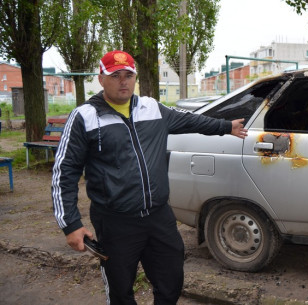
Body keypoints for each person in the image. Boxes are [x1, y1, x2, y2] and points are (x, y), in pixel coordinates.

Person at [51, 50, 247, 305]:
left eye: (128, 75)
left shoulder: (151, 108)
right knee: (120, 291)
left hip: (159, 217)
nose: (123, 81)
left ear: (135, 77)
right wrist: (71, 224)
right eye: (115, 75)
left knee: (171, 282)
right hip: (115, 222)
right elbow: (64, 172)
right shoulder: (85, 117)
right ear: (101, 79)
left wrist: (226, 127)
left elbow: (190, 121)